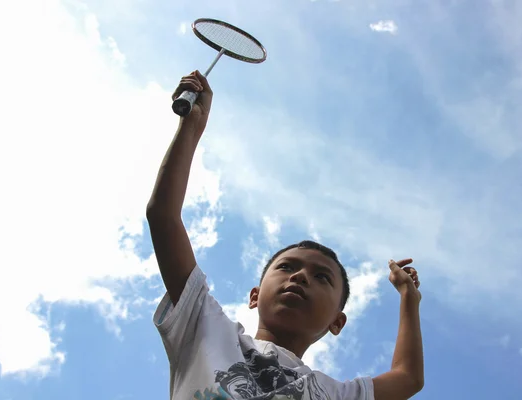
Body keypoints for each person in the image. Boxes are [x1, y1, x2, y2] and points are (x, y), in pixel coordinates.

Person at [147, 71, 424, 400]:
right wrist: (191, 127)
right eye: (286, 267)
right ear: (254, 296)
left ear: (337, 322)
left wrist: (409, 298)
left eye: (322, 277)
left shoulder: (335, 394)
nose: (301, 277)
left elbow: (408, 378)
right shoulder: (206, 329)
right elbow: (163, 216)